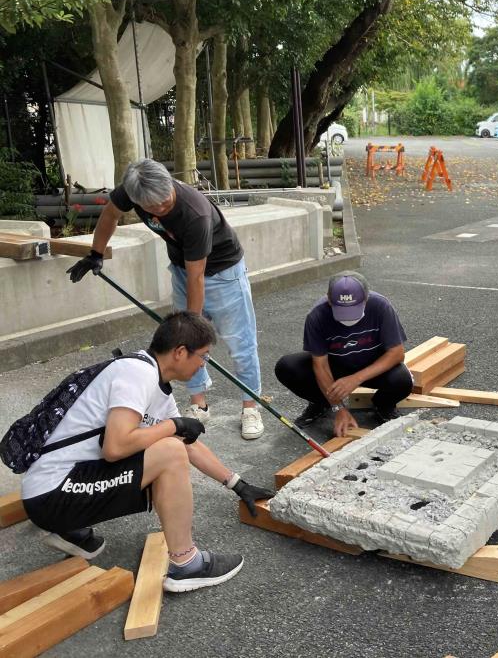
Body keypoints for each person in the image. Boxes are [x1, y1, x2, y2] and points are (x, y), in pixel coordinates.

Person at [19, 312, 274, 592]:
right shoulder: (138, 373)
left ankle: (70, 530)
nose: (204, 365)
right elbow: (115, 448)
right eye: (203, 356)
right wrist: (171, 426)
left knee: (171, 444)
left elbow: (189, 443)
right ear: (180, 352)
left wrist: (237, 484)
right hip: (54, 495)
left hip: (56, 490)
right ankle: (187, 564)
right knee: (169, 450)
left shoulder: (154, 384)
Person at [66, 159, 265, 441]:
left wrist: (192, 326)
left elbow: (199, 276)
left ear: (170, 184)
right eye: (152, 208)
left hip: (222, 273)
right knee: (182, 346)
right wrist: (96, 254)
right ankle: (199, 404)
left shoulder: (194, 213)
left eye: (165, 202)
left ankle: (250, 407)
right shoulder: (133, 188)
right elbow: (110, 215)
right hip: (184, 270)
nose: (161, 209)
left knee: (238, 342)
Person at [274, 271, 412, 437]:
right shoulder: (317, 315)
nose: (348, 319)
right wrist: (338, 407)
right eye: (342, 311)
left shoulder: (381, 306)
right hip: (336, 367)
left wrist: (356, 378)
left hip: (371, 366)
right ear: (330, 300)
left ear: (366, 298)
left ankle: (383, 405)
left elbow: (397, 353)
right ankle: (322, 403)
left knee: (402, 380)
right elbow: (321, 365)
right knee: (287, 367)